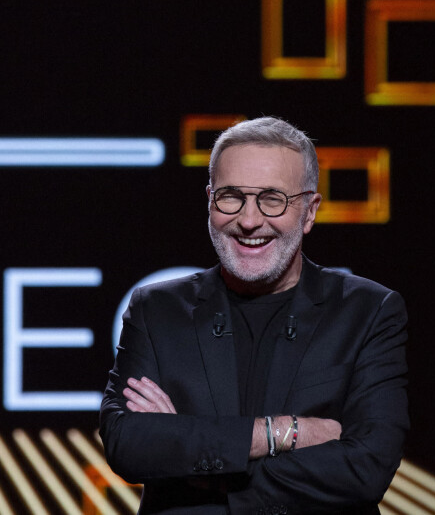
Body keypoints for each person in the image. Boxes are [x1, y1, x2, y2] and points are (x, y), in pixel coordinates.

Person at [100, 116, 409, 514]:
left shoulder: (368, 312)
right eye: (231, 197)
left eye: (272, 199)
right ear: (209, 200)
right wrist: (281, 433)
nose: (248, 220)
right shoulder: (156, 311)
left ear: (310, 211)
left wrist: (197, 458)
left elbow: (367, 468)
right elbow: (129, 444)